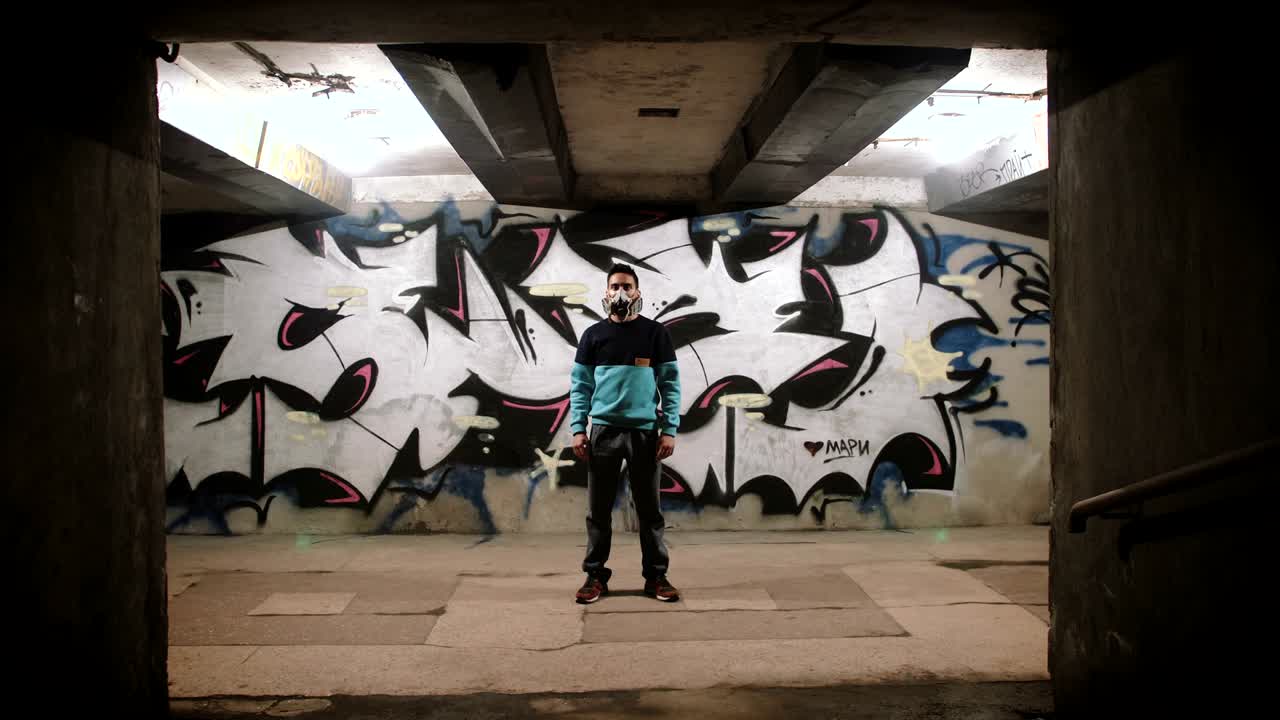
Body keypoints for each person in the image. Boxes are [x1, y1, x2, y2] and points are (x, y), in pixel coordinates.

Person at [568, 263, 681, 604]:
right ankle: (595, 576)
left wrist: (669, 430)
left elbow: (671, 385)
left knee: (649, 511)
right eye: (615, 286)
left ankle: (657, 577)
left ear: (637, 292)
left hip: (645, 434)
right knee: (598, 511)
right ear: (605, 292)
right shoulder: (593, 336)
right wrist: (578, 428)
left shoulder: (655, 334)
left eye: (627, 286)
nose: (621, 293)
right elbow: (580, 386)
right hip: (602, 432)